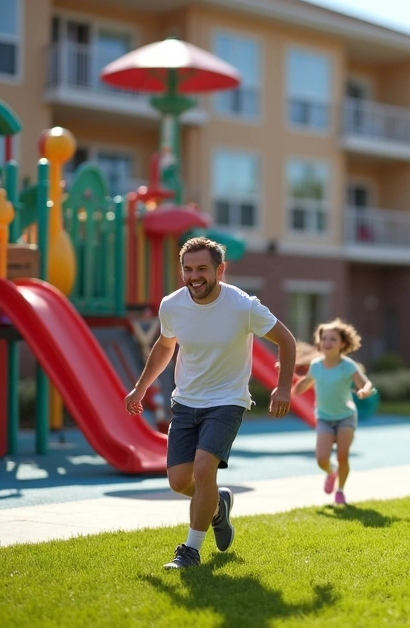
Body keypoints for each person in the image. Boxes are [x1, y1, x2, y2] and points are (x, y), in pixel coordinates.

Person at [125, 237, 297, 570]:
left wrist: (284, 387)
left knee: (204, 469)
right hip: (186, 402)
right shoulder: (172, 305)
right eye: (187, 269)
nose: (194, 276)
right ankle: (217, 505)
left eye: (202, 268)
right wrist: (140, 387)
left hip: (227, 401)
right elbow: (165, 346)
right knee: (179, 481)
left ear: (220, 269)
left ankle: (190, 551)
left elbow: (286, 341)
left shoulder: (243, 306)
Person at [292, 318, 376, 506]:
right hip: (324, 418)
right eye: (325, 339)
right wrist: (289, 388)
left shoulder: (348, 366)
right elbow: (303, 385)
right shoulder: (316, 365)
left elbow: (366, 383)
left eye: (333, 339)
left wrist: (364, 390)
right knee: (322, 459)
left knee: (342, 456)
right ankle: (331, 473)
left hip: (346, 417)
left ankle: (340, 491)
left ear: (342, 344)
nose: (328, 342)